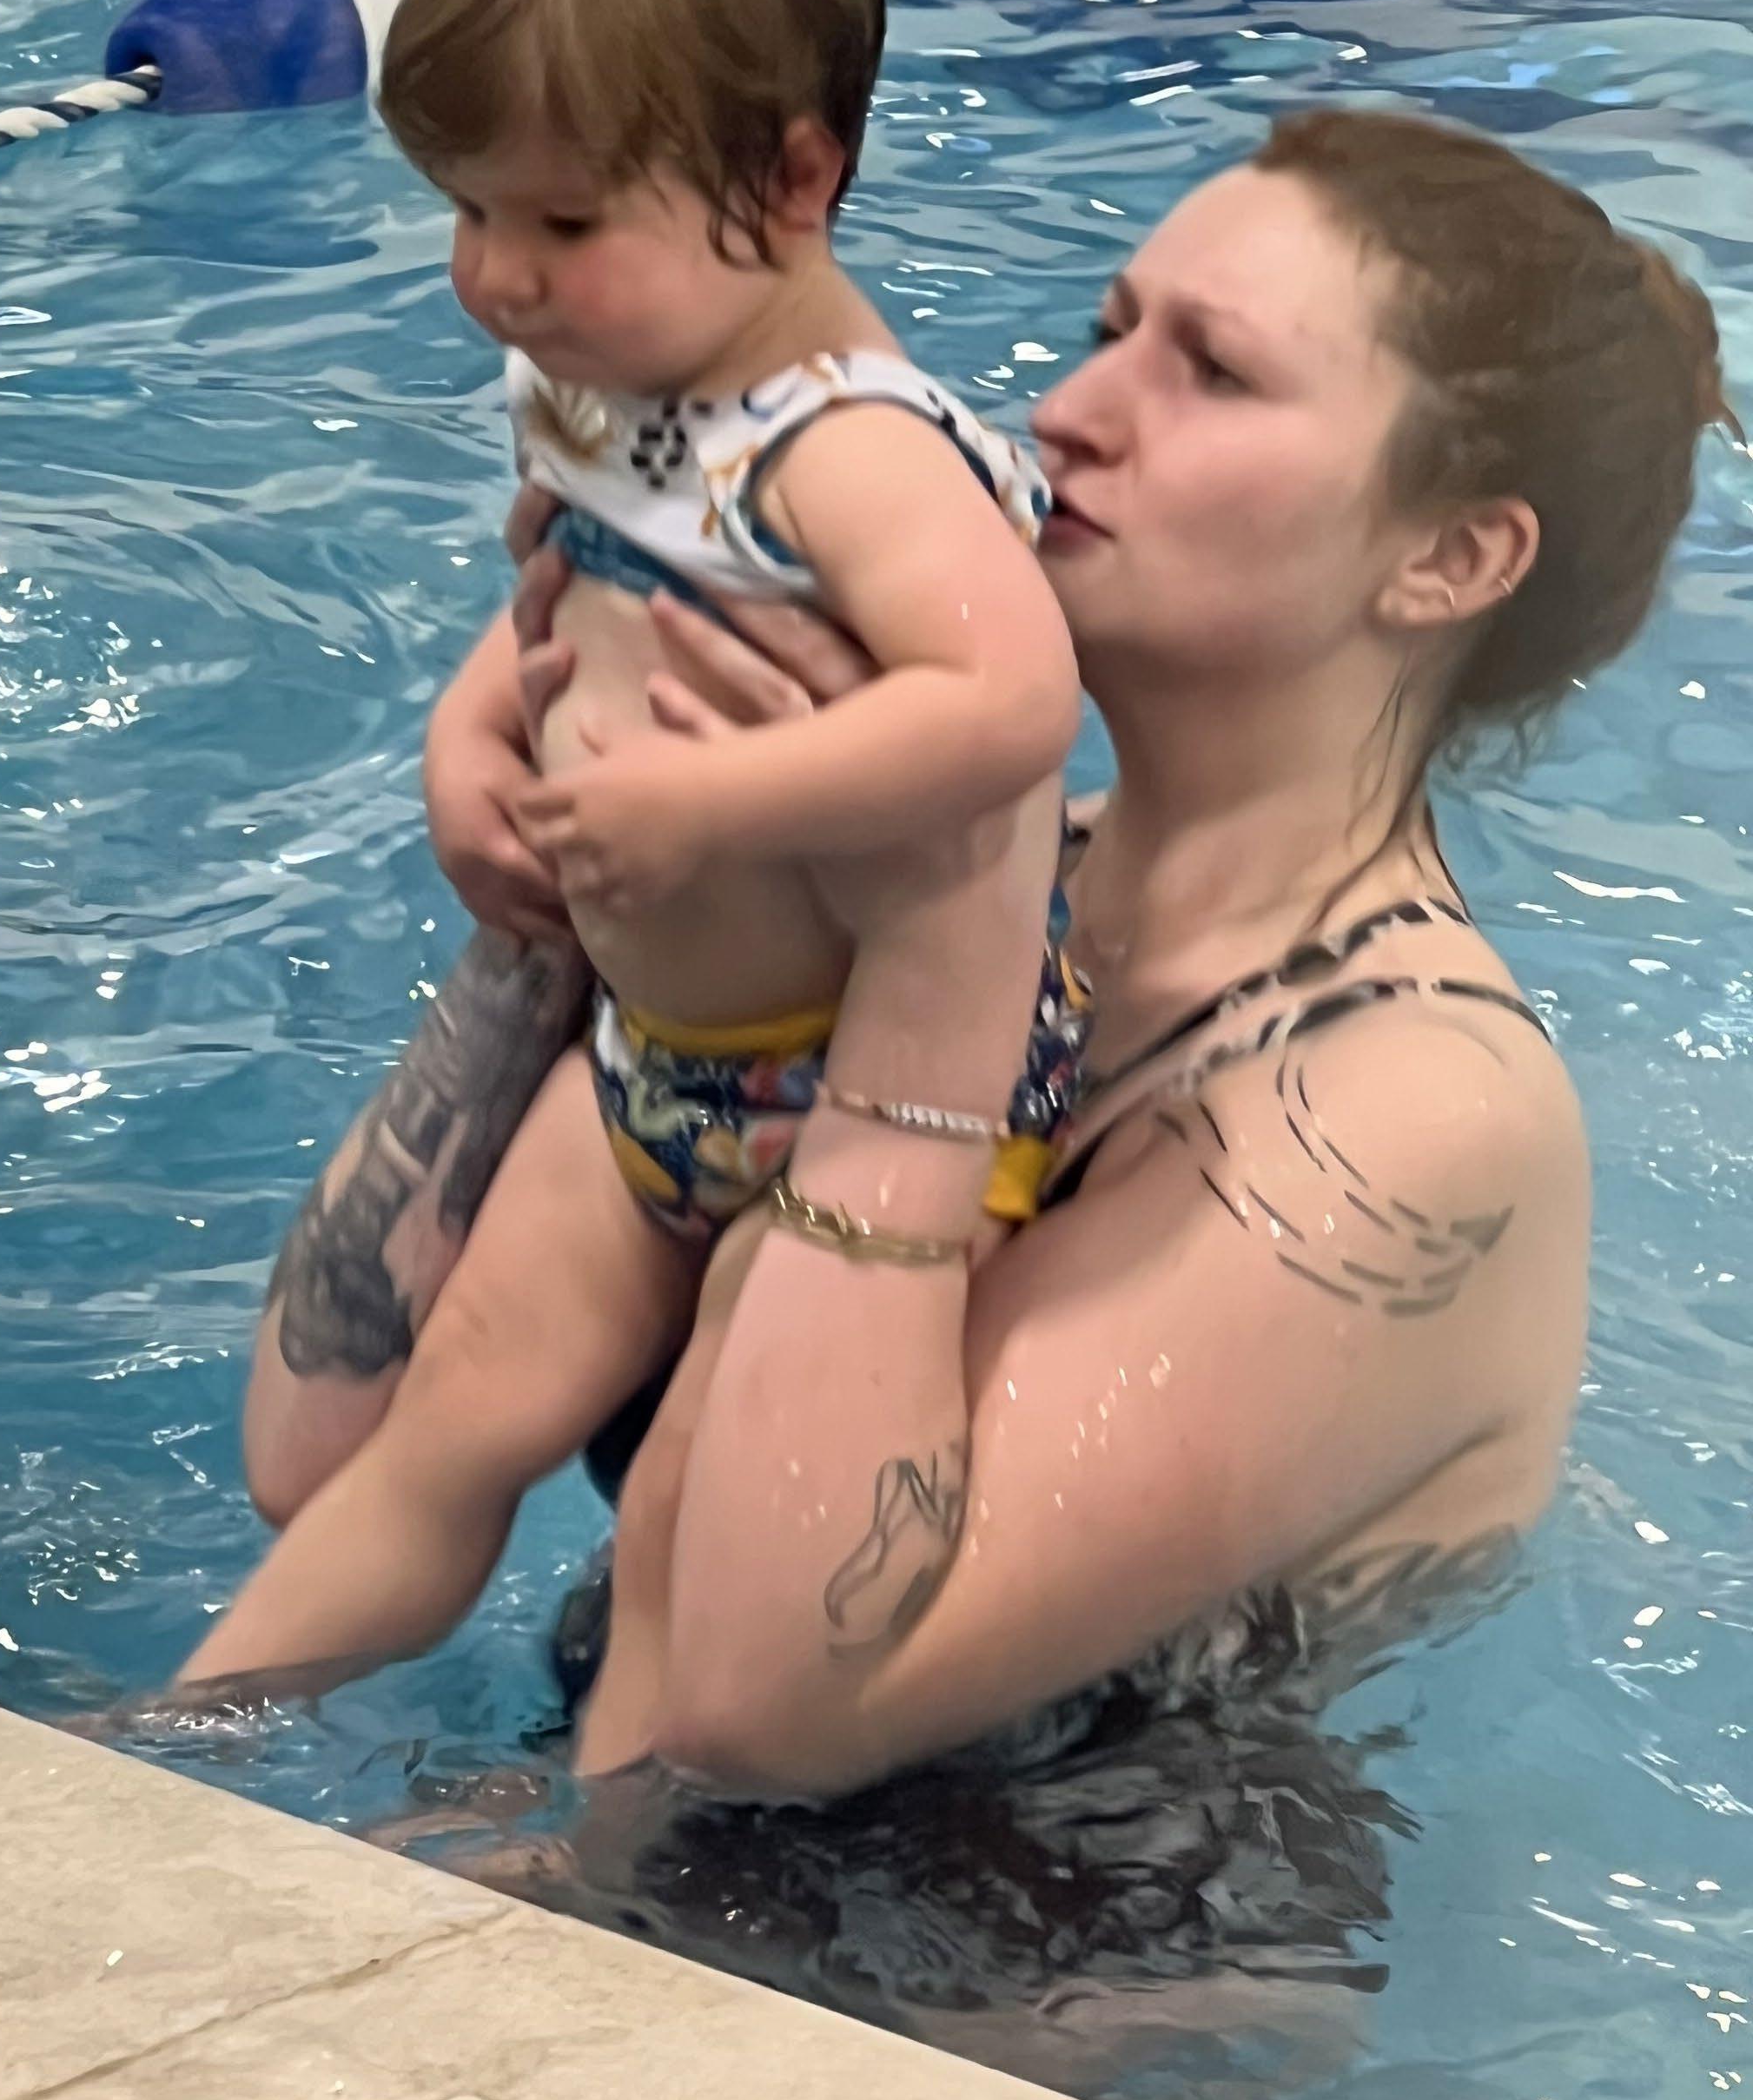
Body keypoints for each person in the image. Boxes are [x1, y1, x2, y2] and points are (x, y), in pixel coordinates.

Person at [231, 103, 1730, 1811]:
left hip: (1021, 1948)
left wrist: (937, 960)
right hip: (621, 1829)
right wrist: (552, 881)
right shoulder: (932, 864)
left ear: (1449, 557)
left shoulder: (1412, 1110)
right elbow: (320, 1451)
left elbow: (752, 1709)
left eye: (1212, 372)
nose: (1072, 410)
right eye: (1109, 330)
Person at [183, 0, 1082, 1687]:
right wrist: (463, 749)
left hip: (855, 1095)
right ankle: (179, 1739)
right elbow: (561, 603)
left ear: (794, 182)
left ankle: (590, 1831)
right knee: (453, 1419)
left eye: (563, 221)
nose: (496, 275)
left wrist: (706, 799)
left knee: (697, 1507)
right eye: (468, 210)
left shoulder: (848, 449)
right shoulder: (607, 380)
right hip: (653, 1064)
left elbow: (1010, 698)